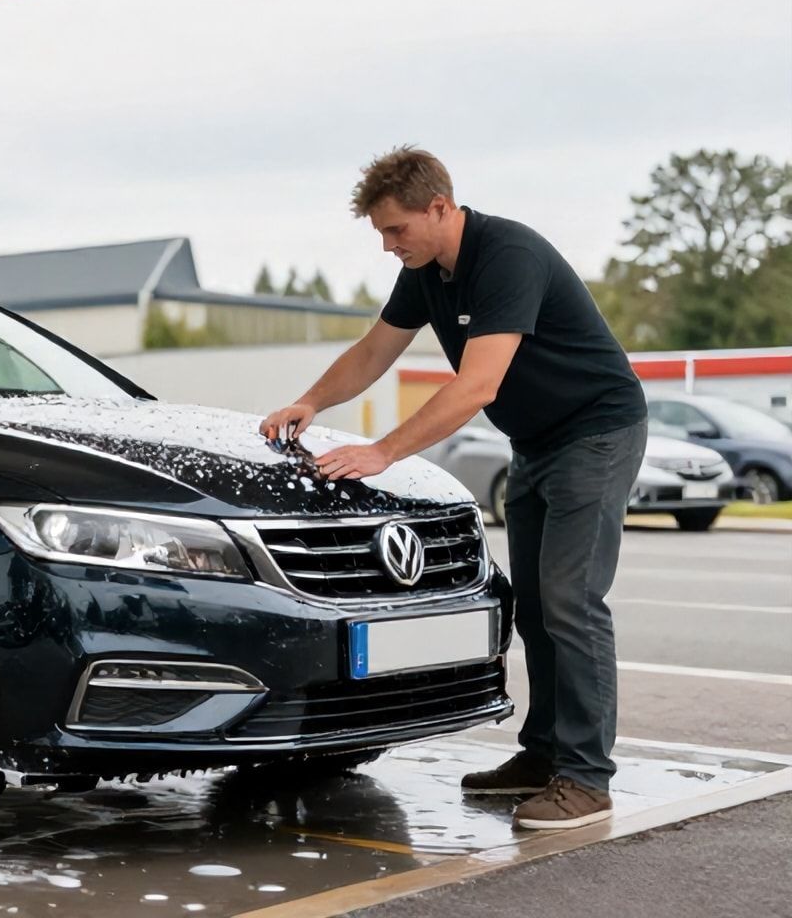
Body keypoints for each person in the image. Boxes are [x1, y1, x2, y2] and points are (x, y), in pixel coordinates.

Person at [260, 146, 647, 830]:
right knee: (532, 607)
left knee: (571, 600)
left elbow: (477, 384)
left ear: (439, 208)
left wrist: (383, 451)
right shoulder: (427, 270)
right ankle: (543, 756)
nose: (388, 245)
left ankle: (586, 780)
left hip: (597, 434)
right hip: (536, 444)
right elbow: (375, 350)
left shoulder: (507, 256)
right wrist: (311, 402)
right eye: (381, 233)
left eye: (396, 229)